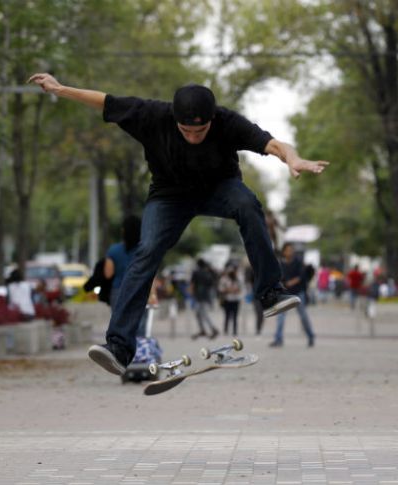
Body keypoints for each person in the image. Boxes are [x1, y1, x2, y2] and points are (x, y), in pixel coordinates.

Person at [28, 72, 329, 375]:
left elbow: (275, 144)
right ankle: (119, 347)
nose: (194, 137)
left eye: (201, 131)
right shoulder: (152, 115)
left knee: (248, 205)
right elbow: (105, 101)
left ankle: (270, 293)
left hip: (219, 189)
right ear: (176, 120)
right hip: (169, 197)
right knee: (146, 251)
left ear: (212, 119)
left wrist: (292, 158)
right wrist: (61, 89)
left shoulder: (227, 122)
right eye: (187, 131)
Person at [269, 243, 316, 348]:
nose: (290, 252)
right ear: (284, 251)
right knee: (281, 317)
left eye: (291, 250)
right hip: (285, 294)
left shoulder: (298, 262)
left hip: (298, 293)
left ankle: (311, 336)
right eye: (288, 250)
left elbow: (301, 276)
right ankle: (278, 339)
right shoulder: (281, 263)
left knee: (303, 316)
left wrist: (291, 282)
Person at [190, 258, 219, 340]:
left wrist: (191, 294)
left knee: (203, 313)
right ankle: (202, 330)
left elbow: (192, 284)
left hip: (198, 296)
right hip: (206, 296)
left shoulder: (196, 272)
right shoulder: (207, 273)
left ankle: (213, 329)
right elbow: (211, 284)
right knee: (198, 313)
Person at [218, 263, 243, 336]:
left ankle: (235, 331)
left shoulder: (238, 279)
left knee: (235, 316)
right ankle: (226, 330)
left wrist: (235, 290)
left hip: (235, 300)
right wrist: (228, 290)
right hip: (227, 300)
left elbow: (241, 289)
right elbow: (221, 289)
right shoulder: (224, 279)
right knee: (227, 315)